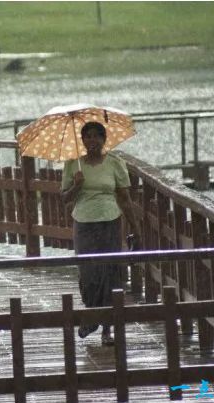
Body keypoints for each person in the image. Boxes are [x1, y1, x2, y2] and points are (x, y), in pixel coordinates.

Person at [61, 122, 141, 346]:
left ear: (104, 140)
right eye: (88, 136)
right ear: (83, 140)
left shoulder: (115, 163)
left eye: (97, 136)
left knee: (110, 274)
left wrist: (135, 229)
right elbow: (65, 198)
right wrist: (76, 186)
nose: (92, 140)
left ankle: (107, 329)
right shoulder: (72, 165)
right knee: (89, 275)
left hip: (110, 222)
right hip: (84, 223)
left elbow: (125, 199)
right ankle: (92, 316)